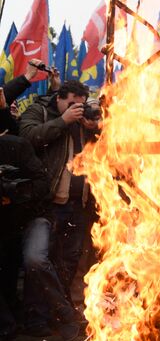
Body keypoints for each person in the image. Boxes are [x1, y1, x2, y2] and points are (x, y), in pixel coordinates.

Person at [19, 80, 99, 326]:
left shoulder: (83, 121)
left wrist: (95, 127)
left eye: (81, 105)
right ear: (59, 98)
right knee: (39, 261)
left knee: (68, 264)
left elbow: (107, 149)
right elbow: (27, 138)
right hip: (46, 203)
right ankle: (35, 320)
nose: (77, 108)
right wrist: (63, 120)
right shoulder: (40, 110)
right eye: (72, 103)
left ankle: (56, 316)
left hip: (78, 205)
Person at [0, 134, 80, 341]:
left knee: (35, 259)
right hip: (4, 225)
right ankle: (7, 326)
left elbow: (43, 183)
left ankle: (64, 314)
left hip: (32, 215)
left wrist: (13, 193)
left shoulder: (15, 146)